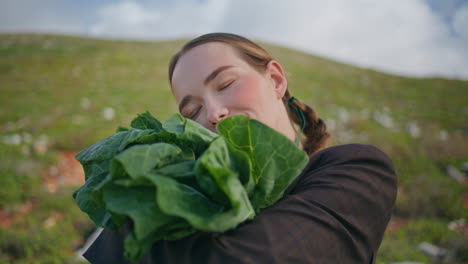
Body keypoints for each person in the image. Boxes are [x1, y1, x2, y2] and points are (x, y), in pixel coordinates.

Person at [83, 33, 398, 263]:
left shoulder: (357, 170)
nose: (214, 113)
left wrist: (138, 220)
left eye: (225, 84)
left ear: (275, 79)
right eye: (192, 112)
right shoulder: (192, 191)